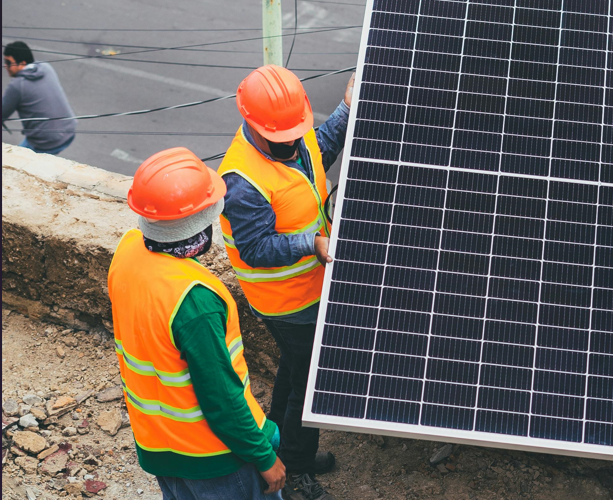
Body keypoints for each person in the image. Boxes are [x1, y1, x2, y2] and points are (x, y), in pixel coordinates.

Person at [107, 147, 287, 500]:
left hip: (159, 447)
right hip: (214, 460)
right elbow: (222, 399)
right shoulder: (195, 301)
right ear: (198, 225)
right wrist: (265, 457)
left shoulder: (127, 252)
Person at [218, 64, 353, 500]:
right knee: (306, 380)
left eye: (297, 132)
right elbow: (256, 248)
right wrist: (309, 243)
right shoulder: (241, 181)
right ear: (254, 127)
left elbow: (319, 150)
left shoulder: (293, 137)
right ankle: (293, 466)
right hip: (285, 301)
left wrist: (346, 110)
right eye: (282, 137)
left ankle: (283, 445)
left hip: (312, 286)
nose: (292, 142)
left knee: (295, 374)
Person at [2, 41, 76, 154]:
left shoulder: (18, 85)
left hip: (47, 143)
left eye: (8, 62)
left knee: (13, 160)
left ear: (22, 63)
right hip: (69, 131)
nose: (5, 66)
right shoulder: (45, 67)